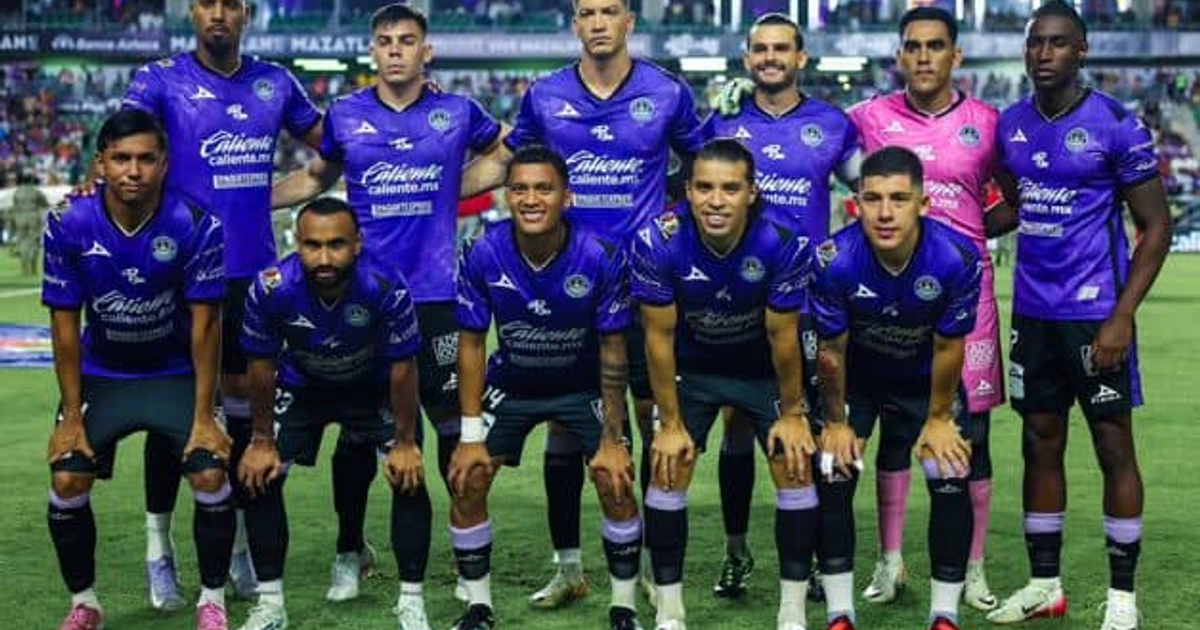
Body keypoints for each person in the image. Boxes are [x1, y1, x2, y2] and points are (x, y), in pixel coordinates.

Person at [462, 0, 705, 606]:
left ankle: (650, 564)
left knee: (649, 424)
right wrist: (431, 183)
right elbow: (507, 161)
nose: (598, 21)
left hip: (645, 289)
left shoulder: (667, 92)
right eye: (587, 11)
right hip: (566, 288)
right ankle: (569, 567)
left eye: (611, 10)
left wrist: (678, 222)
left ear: (630, 21)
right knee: (566, 432)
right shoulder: (544, 96)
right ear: (575, 23)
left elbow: (705, 165)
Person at [271, 7, 506, 544]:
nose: (396, 49)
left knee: (452, 422)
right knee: (359, 429)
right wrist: (249, 200)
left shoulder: (458, 111)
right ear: (372, 51)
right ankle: (350, 548)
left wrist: (450, 186)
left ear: (427, 51)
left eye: (407, 40)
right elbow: (315, 178)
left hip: (437, 295)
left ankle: (462, 534)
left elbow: (505, 156)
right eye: (385, 41)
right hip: (365, 298)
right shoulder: (346, 114)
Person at [121, 0, 323, 603]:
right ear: (191, 12)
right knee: (173, 417)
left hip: (251, 280)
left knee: (243, 419)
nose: (218, 14)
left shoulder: (276, 81)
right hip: (179, 275)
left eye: (230, 4)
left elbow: (333, 153)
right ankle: (159, 550)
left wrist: (275, 198)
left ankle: (236, 546)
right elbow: (127, 150)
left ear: (246, 14)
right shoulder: (159, 80)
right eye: (207, 2)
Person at [985, 3, 1172, 628]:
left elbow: (1156, 228)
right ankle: (1046, 586)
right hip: (1032, 317)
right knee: (1040, 444)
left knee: (1113, 445)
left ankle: (1123, 599)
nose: (1043, 54)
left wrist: (1123, 317)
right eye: (1036, 43)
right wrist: (957, 229)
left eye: (1058, 43)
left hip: (1096, 320)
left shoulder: (1117, 125)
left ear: (1082, 51)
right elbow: (1014, 207)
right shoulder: (1010, 125)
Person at [42, 109, 234, 630]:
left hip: (173, 372)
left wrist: (204, 414)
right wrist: (70, 418)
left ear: (164, 164)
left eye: (146, 159)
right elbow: (64, 326)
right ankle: (85, 604)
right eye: (121, 159)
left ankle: (211, 601)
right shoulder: (68, 222)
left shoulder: (196, 224)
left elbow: (206, 328)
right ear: (100, 163)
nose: (133, 170)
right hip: (104, 374)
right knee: (67, 479)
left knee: (211, 469)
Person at [843, 7, 1006, 610]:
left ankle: (973, 567)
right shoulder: (867, 119)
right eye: (912, 47)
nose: (923, 57)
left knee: (974, 436)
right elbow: (806, 156)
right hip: (887, 301)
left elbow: (1013, 198)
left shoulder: (988, 124)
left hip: (969, 298)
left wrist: (960, 245)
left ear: (956, 56)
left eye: (936, 47)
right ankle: (890, 562)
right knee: (891, 426)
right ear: (899, 55)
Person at [446, 145, 642, 630]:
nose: (530, 199)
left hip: (582, 384)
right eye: (519, 189)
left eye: (543, 189)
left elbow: (614, 350)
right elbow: (470, 345)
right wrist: (470, 436)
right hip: (511, 383)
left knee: (614, 480)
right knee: (467, 479)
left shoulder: (602, 255)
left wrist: (614, 439)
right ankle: (478, 607)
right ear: (506, 196)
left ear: (567, 197)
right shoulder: (483, 251)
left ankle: (624, 608)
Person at [701, 12, 860, 599]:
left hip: (810, 305)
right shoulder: (723, 119)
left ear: (801, 59)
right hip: (735, 304)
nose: (770, 58)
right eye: (760, 50)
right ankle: (736, 552)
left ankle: (817, 558)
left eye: (781, 49)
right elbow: (688, 181)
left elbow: (868, 192)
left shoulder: (831, 124)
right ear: (748, 59)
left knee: (815, 428)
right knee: (738, 428)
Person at [632, 138, 817, 630]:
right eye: (705, 188)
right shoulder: (657, 239)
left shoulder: (784, 240)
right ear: (687, 191)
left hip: (760, 369)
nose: (717, 201)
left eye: (730, 189)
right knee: (667, 465)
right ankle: (670, 612)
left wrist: (794, 413)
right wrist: (669, 424)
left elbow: (783, 335)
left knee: (796, 465)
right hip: (693, 370)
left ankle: (791, 611)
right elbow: (658, 337)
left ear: (751, 193)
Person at [235, 198, 429, 630]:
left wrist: (404, 442)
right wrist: (261, 440)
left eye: (336, 245)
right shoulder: (271, 288)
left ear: (357, 244)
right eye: (312, 245)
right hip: (304, 387)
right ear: (296, 243)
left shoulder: (384, 284)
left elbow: (404, 367)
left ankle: (412, 604)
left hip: (372, 386)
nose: (324, 258)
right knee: (260, 474)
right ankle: (271, 605)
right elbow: (261, 367)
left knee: (408, 475)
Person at [812, 146, 983, 630]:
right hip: (857, 387)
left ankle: (944, 615)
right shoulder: (833, 259)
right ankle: (840, 613)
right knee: (833, 472)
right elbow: (831, 351)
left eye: (899, 199)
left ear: (923, 204)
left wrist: (939, 419)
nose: (885, 213)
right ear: (856, 203)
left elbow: (951, 347)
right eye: (873, 199)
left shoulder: (956, 258)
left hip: (926, 387)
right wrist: (837, 423)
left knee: (951, 474)